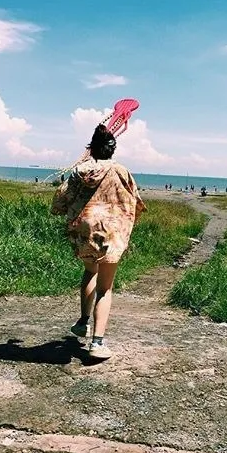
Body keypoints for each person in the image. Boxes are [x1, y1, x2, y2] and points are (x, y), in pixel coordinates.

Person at [51, 124, 146, 359]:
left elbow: (59, 203)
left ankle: (83, 322)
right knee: (105, 288)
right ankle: (97, 343)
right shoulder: (122, 171)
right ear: (112, 150)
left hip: (84, 234)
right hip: (111, 235)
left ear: (91, 148)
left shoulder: (79, 172)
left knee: (89, 272)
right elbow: (137, 202)